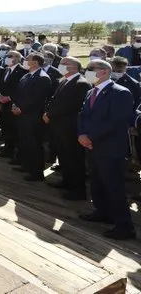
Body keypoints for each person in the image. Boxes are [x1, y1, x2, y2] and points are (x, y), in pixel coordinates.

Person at [77, 59, 136, 240]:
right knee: (97, 182)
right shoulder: (90, 92)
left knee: (114, 187)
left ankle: (124, 226)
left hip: (109, 148)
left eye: (90, 69)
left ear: (103, 72)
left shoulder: (120, 93)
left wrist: (90, 137)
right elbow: (82, 115)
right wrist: (82, 134)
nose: (86, 72)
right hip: (91, 146)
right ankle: (102, 211)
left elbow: (116, 122)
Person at [43, 57, 92, 200]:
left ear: (75, 67)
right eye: (61, 63)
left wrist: (50, 114)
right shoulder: (63, 80)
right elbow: (55, 100)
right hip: (58, 126)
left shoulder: (81, 83)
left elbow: (72, 105)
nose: (61, 66)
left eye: (65, 64)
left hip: (70, 127)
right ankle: (66, 181)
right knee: (63, 156)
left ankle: (77, 190)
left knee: (73, 158)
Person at [11, 53, 53, 181]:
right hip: (22, 115)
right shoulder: (27, 75)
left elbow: (37, 99)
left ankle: (36, 172)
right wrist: (14, 105)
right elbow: (18, 93)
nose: (25, 61)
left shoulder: (42, 78)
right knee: (25, 142)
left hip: (33, 116)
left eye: (27, 59)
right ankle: (26, 165)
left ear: (35, 62)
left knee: (34, 144)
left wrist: (21, 108)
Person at [0, 51, 27, 159]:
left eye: (10, 56)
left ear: (18, 58)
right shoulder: (6, 69)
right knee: (6, 127)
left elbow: (21, 89)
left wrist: (9, 98)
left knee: (14, 129)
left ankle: (17, 154)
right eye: (7, 56)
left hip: (14, 105)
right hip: (3, 104)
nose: (7, 58)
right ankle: (7, 150)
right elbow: (1, 86)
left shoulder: (23, 71)